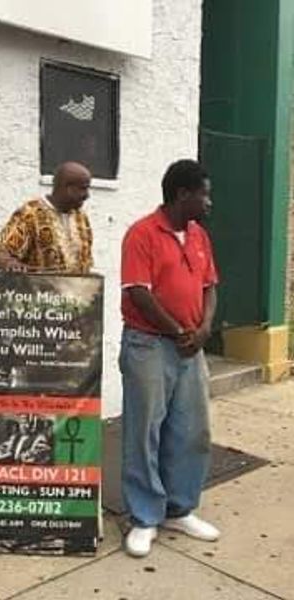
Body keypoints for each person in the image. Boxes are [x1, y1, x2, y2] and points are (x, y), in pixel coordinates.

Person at [120, 159, 220, 558]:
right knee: (144, 431)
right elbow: (138, 292)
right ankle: (145, 517)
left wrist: (204, 328)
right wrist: (179, 331)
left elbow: (210, 286)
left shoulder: (199, 235)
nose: (209, 202)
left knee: (192, 430)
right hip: (148, 344)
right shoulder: (142, 233)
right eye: (204, 194)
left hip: (191, 347)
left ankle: (179, 509)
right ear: (182, 194)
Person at [0, 161, 93, 273]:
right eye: (83, 188)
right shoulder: (31, 214)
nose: (87, 195)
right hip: (39, 284)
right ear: (67, 187)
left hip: (78, 285)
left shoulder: (81, 218)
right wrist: (10, 264)